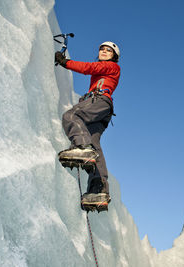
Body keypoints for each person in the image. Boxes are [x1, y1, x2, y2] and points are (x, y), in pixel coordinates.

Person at [55, 41, 121, 211]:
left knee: (71, 116)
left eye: (109, 51)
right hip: (103, 108)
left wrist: (65, 62)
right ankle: (98, 188)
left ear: (114, 57)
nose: (104, 52)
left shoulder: (111, 67)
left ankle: (81, 146)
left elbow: (89, 68)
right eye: (102, 49)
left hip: (99, 101)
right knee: (94, 144)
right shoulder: (107, 68)